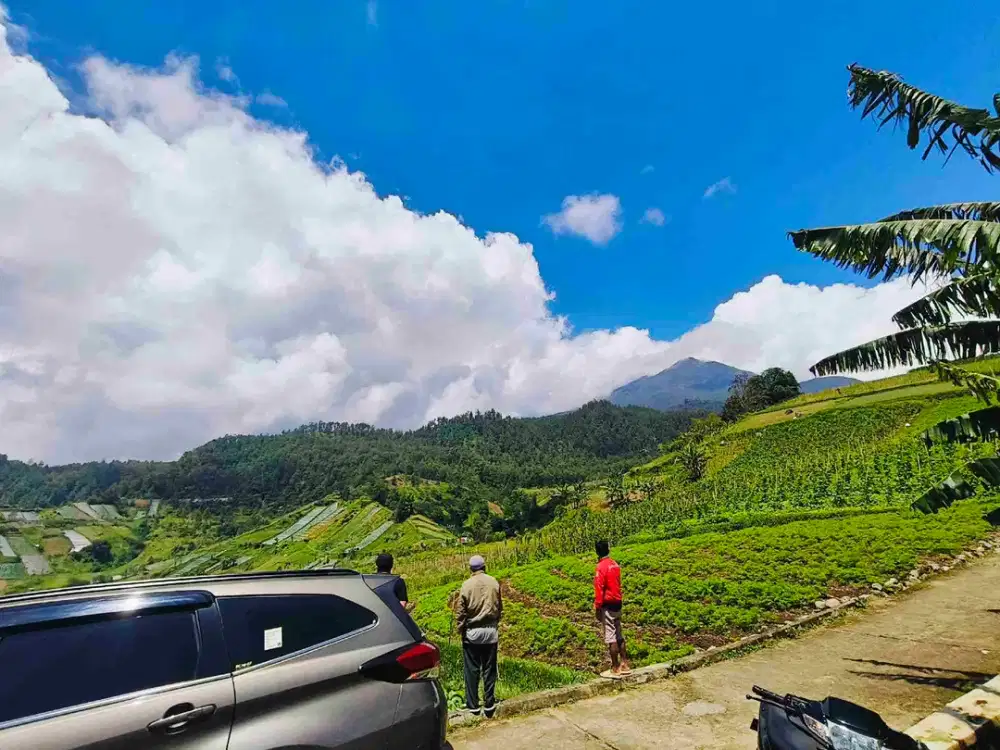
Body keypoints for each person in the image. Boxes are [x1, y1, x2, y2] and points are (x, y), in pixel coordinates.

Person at [455, 554, 502, 717]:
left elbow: (461, 611)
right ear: (484, 567)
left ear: (471, 569)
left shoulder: (466, 585)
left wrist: (460, 629)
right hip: (491, 631)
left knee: (472, 669)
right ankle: (489, 703)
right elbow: (499, 606)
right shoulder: (494, 582)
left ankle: (473, 704)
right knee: (489, 669)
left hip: (472, 632)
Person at [594, 540, 631, 678]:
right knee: (619, 634)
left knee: (611, 636)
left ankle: (615, 667)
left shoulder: (601, 567)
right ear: (608, 549)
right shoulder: (615, 564)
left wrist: (598, 607)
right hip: (618, 602)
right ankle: (625, 664)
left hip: (608, 604)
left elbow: (599, 588)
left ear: (597, 552)